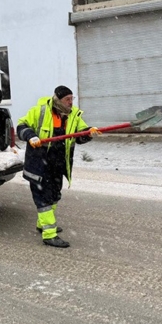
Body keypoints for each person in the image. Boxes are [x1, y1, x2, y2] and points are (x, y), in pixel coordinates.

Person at [16, 86, 101, 248]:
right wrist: (31, 136)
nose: (70, 102)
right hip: (39, 164)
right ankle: (49, 234)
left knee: (55, 196)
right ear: (58, 100)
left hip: (58, 165)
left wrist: (89, 133)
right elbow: (22, 126)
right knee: (44, 199)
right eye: (67, 99)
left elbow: (80, 135)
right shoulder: (40, 111)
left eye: (72, 99)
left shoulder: (73, 115)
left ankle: (43, 224)